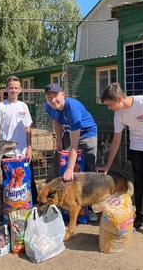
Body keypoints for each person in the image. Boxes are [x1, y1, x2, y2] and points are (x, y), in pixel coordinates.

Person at [97, 82, 143, 243]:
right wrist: (107, 166)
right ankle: (140, 218)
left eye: (110, 105)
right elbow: (117, 140)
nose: (109, 108)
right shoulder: (119, 114)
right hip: (138, 147)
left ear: (118, 99)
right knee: (139, 182)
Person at [44, 82, 98, 221]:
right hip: (69, 132)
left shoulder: (72, 108)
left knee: (89, 170)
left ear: (63, 94)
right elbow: (56, 121)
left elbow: (74, 144)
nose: (53, 100)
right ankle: (67, 203)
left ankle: (91, 208)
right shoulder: (49, 107)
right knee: (62, 163)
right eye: (49, 97)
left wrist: (70, 169)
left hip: (87, 133)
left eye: (55, 96)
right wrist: (59, 140)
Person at [0, 76, 38, 223]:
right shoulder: (0, 107)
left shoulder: (24, 106)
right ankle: (7, 210)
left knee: (29, 181)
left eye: (16, 88)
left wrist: (29, 147)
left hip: (23, 153)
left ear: (20, 90)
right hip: (8, 154)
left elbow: (28, 128)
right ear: (6, 89)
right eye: (11, 88)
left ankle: (32, 208)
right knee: (9, 183)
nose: (13, 90)